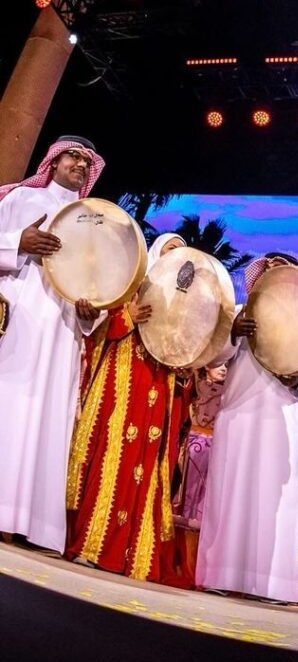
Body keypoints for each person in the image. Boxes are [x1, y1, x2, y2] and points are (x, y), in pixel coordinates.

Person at [195, 253, 298, 603]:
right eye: (268, 268)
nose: (273, 274)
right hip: (238, 414)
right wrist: (232, 334)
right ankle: (220, 574)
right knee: (229, 491)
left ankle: (271, 584)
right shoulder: (237, 311)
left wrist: (295, 379)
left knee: (275, 500)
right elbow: (212, 356)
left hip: (282, 416)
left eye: (281, 269)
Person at [65, 233, 196, 581]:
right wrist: (128, 317)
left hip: (157, 390)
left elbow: (190, 355)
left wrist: (185, 369)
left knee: (145, 465)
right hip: (122, 383)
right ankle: (92, 547)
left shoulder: (183, 306)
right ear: (155, 254)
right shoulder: (128, 283)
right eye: (170, 250)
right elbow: (94, 327)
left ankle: (132, 558)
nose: (175, 257)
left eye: (181, 254)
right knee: (113, 455)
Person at [0, 136, 105, 553]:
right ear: (53, 160)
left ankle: (35, 526)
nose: (79, 164)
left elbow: (101, 283)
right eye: (73, 156)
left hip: (62, 329)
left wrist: (88, 313)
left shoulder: (94, 220)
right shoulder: (21, 198)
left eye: (86, 160)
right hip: (19, 318)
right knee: (9, 408)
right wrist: (18, 244)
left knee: (49, 418)